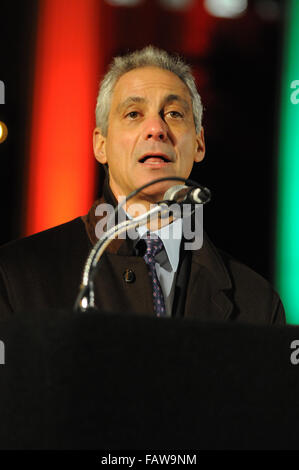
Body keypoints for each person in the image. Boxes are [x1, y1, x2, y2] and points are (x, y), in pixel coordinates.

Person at [0, 46, 285, 324]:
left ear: (199, 144)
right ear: (101, 145)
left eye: (174, 113)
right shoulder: (16, 276)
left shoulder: (257, 304)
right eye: (134, 113)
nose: (156, 129)